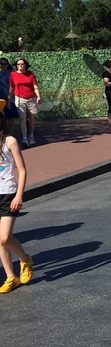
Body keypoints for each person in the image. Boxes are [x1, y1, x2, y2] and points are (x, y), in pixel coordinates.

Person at [0, 111, 33, 293]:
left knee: (5, 237)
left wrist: (19, 195)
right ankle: (10, 277)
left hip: (8, 194)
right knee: (0, 241)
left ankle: (24, 259)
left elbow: (22, 170)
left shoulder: (9, 141)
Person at [8, 58, 41, 147]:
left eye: (22, 64)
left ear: (25, 65)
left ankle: (31, 136)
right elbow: (11, 87)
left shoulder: (30, 74)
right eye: (18, 64)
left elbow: (35, 87)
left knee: (31, 118)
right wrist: (9, 99)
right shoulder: (13, 74)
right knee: (22, 119)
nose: (20, 66)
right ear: (16, 65)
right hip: (19, 99)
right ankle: (24, 138)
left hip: (31, 98)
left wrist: (38, 96)